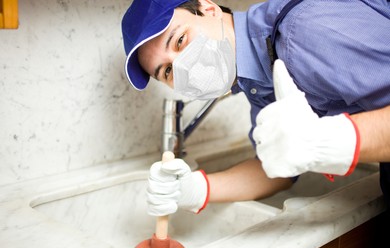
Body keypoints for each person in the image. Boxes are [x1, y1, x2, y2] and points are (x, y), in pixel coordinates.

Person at [121, 0, 390, 218]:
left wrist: (328, 142)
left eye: (180, 41)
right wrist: (196, 190)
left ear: (209, 9)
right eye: (167, 71)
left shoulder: (303, 32)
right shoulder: (255, 75)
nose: (181, 67)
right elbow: (277, 170)